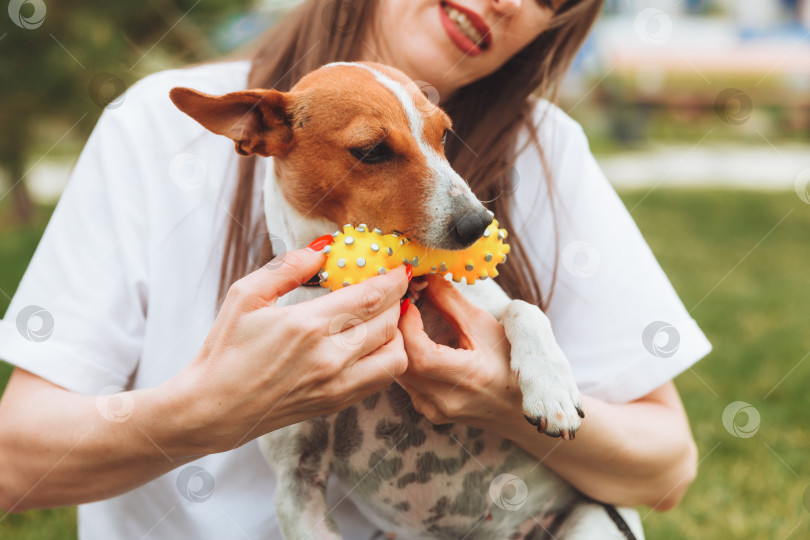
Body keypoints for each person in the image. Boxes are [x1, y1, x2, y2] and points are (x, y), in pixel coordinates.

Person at [0, 0, 712, 538]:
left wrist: (503, 396)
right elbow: (12, 464)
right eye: (374, 151)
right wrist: (206, 411)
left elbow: (667, 469)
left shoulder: (547, 149)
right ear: (258, 136)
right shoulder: (148, 133)